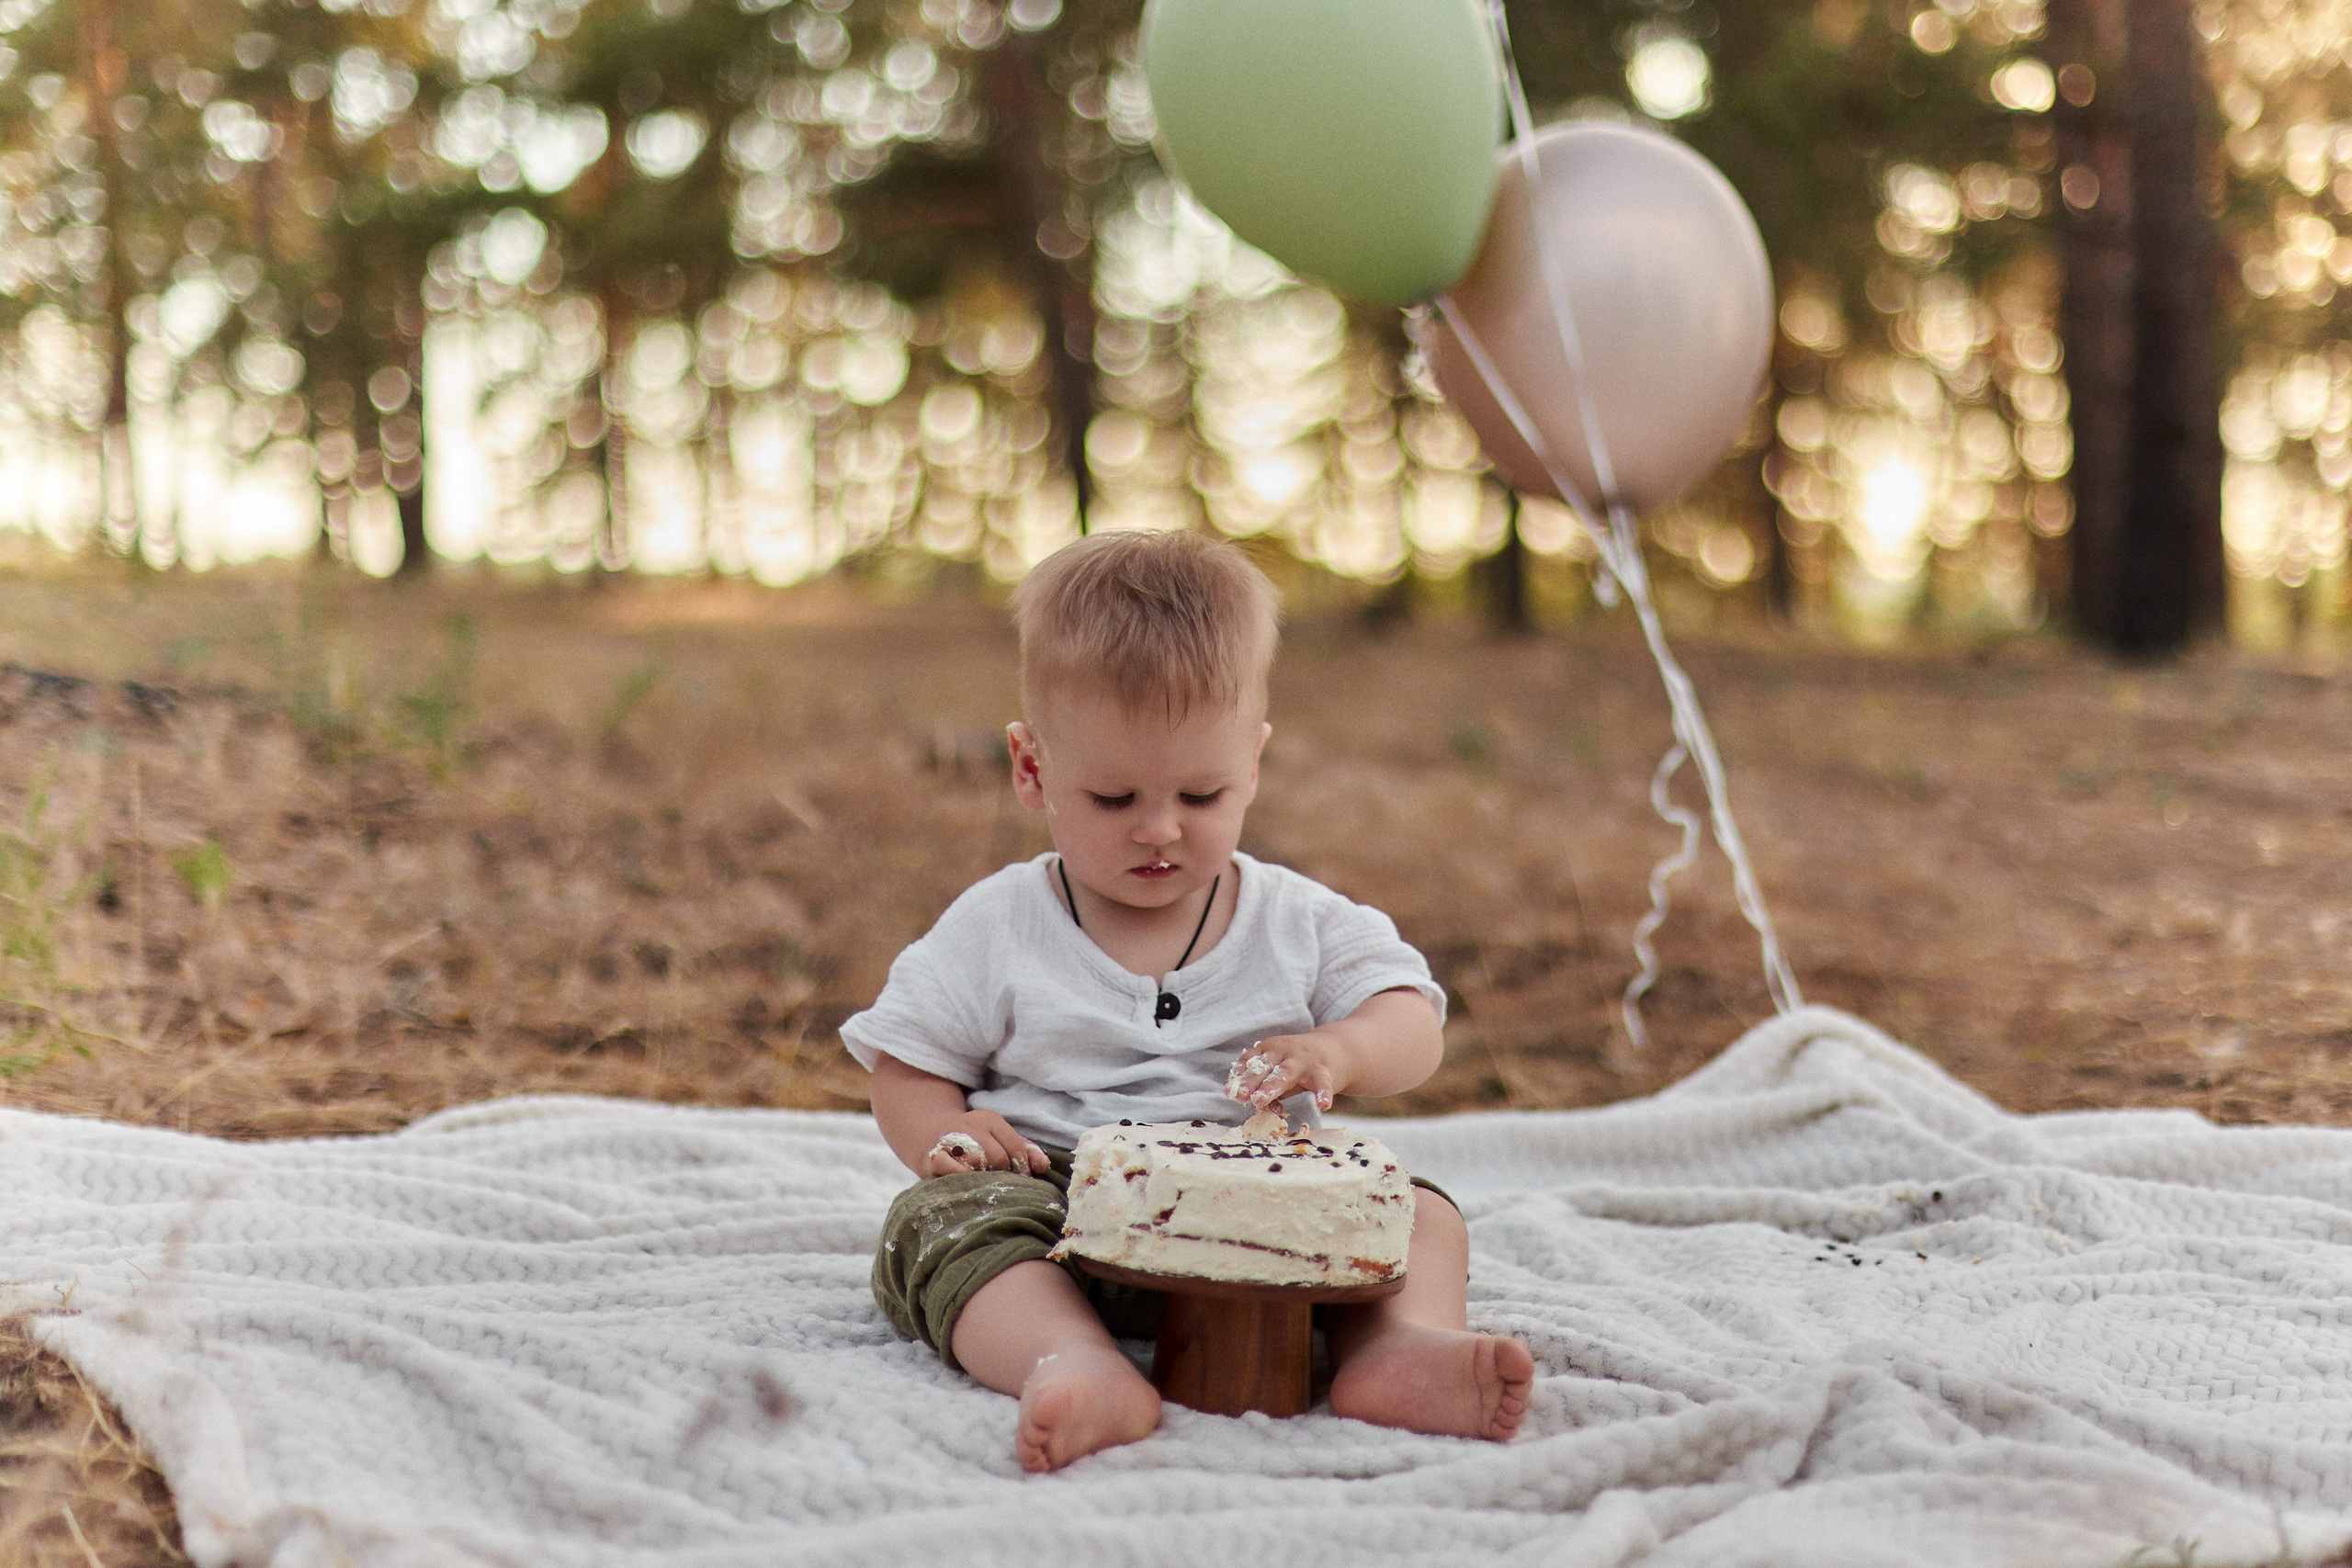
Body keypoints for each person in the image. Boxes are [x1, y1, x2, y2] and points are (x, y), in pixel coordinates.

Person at [845, 529, 1534, 1472]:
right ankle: (1070, 1358)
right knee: (935, 1221)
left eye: (1202, 795)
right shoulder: (999, 924)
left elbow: (1411, 1019)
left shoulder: (1296, 918)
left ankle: (1394, 1348)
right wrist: (951, 1135)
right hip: (1058, 1210)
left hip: (1272, 1210)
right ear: (1032, 768)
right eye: (1114, 797)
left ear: (1252, 765)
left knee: (1415, 1209)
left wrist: (1342, 1049)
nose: (1160, 829)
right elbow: (907, 1066)